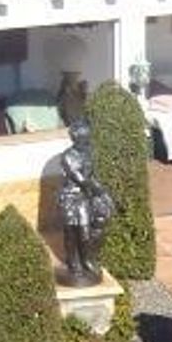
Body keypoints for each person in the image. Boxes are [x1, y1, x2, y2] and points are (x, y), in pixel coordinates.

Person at [56, 121, 115, 286]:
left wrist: (103, 195)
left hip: (84, 197)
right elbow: (82, 180)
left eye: (88, 137)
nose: (88, 140)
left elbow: (92, 176)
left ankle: (87, 259)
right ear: (76, 138)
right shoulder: (68, 156)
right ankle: (73, 262)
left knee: (85, 230)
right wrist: (101, 192)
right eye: (85, 138)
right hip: (69, 197)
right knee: (71, 232)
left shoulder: (88, 152)